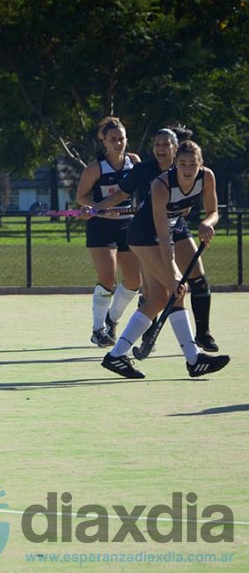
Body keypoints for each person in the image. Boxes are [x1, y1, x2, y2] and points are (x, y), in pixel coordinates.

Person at [100, 140, 229, 379]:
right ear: (175, 164)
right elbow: (161, 234)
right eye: (182, 164)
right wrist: (172, 272)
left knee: (160, 297)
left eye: (192, 163)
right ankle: (193, 359)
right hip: (144, 235)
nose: (188, 168)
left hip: (167, 233)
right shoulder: (161, 185)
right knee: (176, 288)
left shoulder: (206, 177)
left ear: (200, 163)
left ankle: (116, 356)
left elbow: (213, 211)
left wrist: (206, 224)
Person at [75, 116, 142, 347]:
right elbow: (81, 197)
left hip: (128, 224)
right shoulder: (95, 168)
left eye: (121, 138)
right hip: (101, 227)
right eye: (113, 139)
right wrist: (93, 209)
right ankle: (98, 330)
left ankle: (111, 319)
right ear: (104, 141)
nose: (118, 142)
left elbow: (144, 189)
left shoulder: (134, 161)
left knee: (134, 281)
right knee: (108, 279)